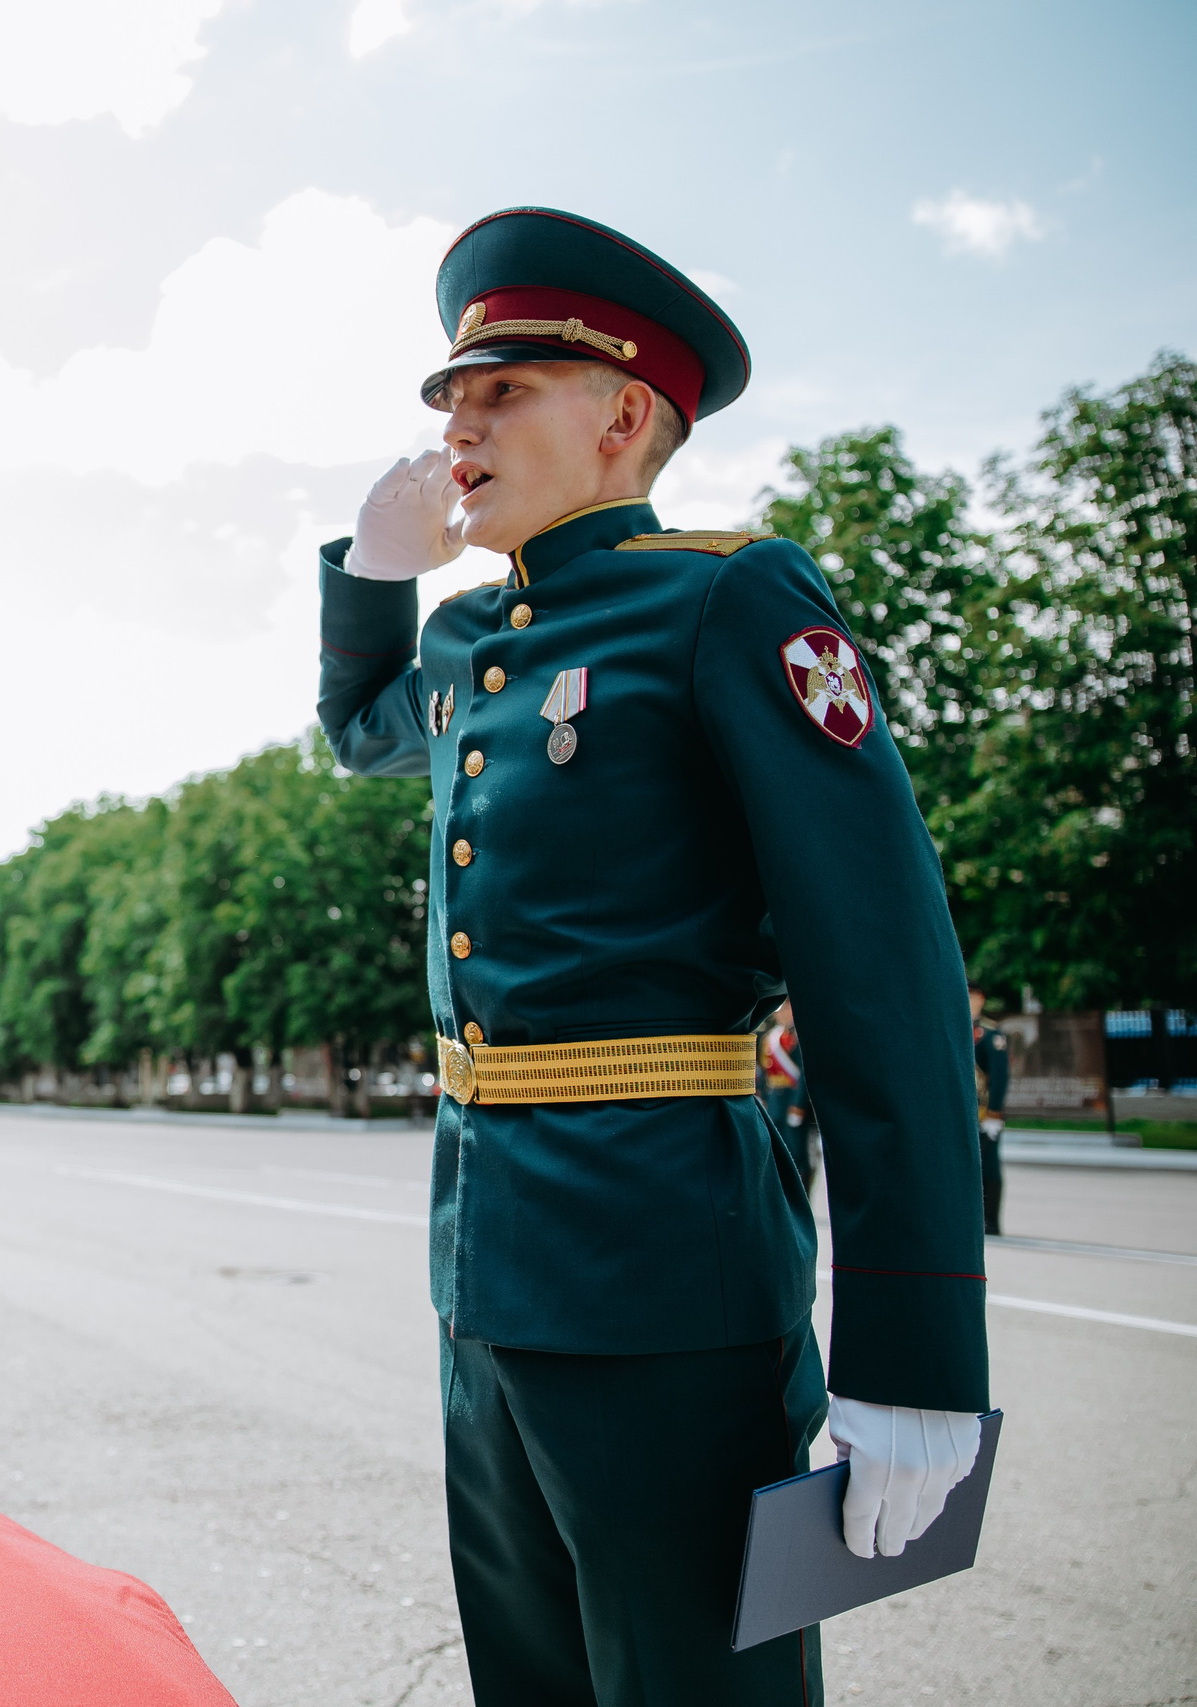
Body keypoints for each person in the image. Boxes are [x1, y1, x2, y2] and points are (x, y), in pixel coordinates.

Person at [318, 206, 989, 1704]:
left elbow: (883, 978)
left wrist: (917, 1350)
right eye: (450, 397)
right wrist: (373, 574)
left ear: (624, 413)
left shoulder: (724, 597)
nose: (458, 427)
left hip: (667, 1276)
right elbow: (361, 733)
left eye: (503, 392)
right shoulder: (473, 641)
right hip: (483, 1275)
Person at [760, 998, 819, 1191]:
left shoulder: (800, 1036)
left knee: (797, 1152)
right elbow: (765, 1073)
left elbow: (803, 1074)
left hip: (792, 1101)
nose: (780, 1014)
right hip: (774, 1100)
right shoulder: (771, 1038)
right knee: (778, 1149)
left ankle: (802, 1192)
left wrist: (798, 1104)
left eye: (784, 1010)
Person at [973, 985, 1009, 1235]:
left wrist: (995, 1113)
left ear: (981, 1000)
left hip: (985, 1113)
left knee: (989, 1165)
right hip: (965, 1113)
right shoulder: (957, 1028)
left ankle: (991, 1221)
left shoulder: (990, 1034)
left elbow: (999, 1076)